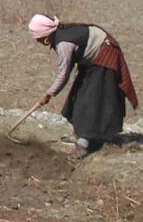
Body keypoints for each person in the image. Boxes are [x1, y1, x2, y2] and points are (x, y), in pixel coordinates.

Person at [28, 13, 137, 157]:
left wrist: (49, 93)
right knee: (77, 96)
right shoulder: (61, 35)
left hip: (104, 57)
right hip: (92, 59)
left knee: (89, 101)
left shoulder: (64, 44)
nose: (37, 42)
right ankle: (83, 136)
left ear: (46, 37)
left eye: (38, 39)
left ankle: (83, 144)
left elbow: (63, 74)